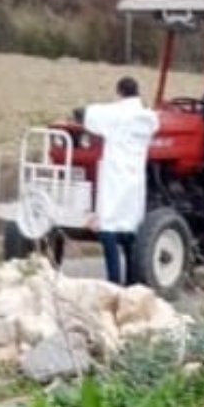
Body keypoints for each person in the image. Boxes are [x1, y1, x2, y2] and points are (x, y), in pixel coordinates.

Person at [82, 76, 159, 286]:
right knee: (131, 231)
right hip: (135, 179)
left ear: (119, 92)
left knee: (109, 230)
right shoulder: (149, 118)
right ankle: (132, 282)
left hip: (115, 177)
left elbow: (88, 115)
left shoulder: (115, 114)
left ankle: (113, 281)